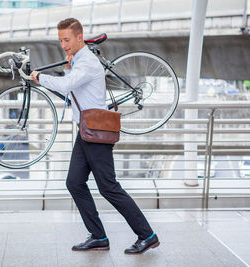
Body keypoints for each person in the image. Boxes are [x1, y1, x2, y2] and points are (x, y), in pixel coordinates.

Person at [30, 18, 159, 254]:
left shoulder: (87, 62)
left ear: (80, 37)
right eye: (60, 41)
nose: (63, 45)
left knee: (109, 188)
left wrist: (40, 77)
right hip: (85, 131)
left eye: (67, 40)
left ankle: (147, 235)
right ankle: (98, 236)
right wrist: (68, 65)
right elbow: (75, 83)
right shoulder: (79, 60)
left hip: (96, 134)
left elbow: (67, 85)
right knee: (74, 182)